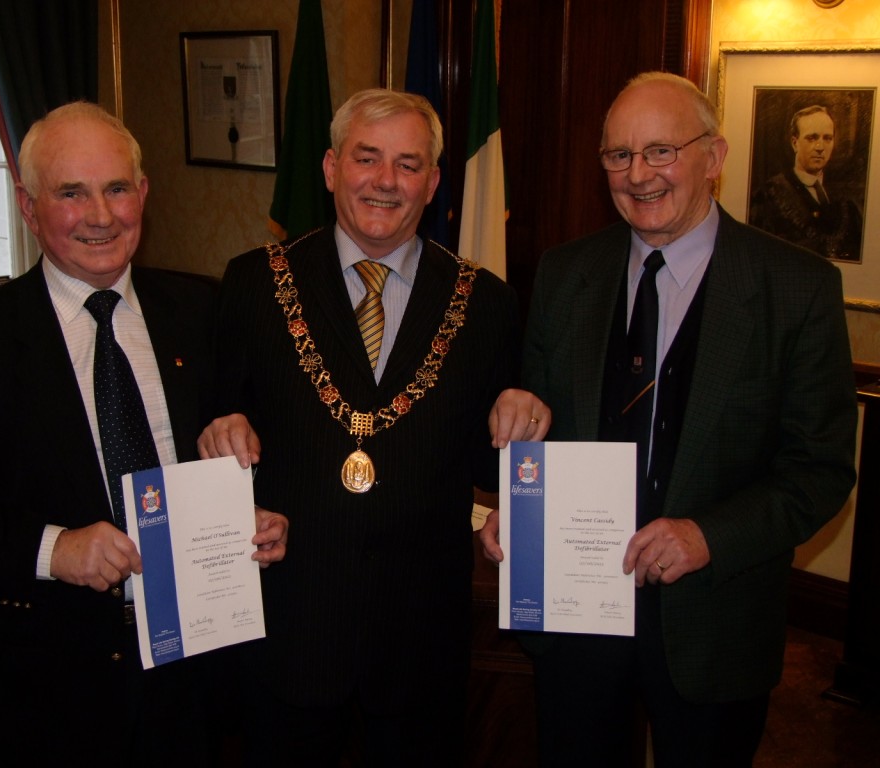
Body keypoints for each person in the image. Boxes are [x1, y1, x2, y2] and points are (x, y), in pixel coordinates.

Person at [0, 102, 288, 766]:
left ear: (143, 194)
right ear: (28, 205)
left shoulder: (202, 310)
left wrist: (262, 512)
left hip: (195, 689)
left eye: (116, 188)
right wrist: (55, 549)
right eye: (72, 193)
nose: (101, 216)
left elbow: (241, 441)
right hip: (48, 699)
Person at [481, 72, 857, 767]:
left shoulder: (796, 288)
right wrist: (521, 499)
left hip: (715, 624)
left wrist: (708, 536)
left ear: (713, 156)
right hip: (575, 619)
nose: (639, 174)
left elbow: (820, 470)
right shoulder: (565, 275)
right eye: (618, 156)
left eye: (661, 150)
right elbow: (541, 426)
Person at [197, 88, 546, 766]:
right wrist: (218, 431)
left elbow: (489, 465)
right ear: (330, 168)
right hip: (290, 629)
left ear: (435, 182)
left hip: (420, 642)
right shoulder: (253, 285)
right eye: (367, 158)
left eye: (409, 164)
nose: (386, 182)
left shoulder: (488, 304)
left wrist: (527, 423)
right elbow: (210, 428)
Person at [749, 104, 863, 260]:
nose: (820, 147)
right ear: (794, 143)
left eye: (827, 138)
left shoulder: (846, 202)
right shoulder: (767, 196)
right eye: (812, 138)